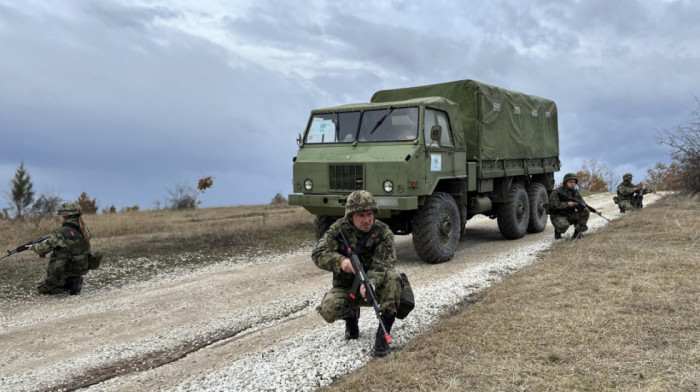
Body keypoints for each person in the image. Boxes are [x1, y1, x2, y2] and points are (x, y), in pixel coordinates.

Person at [312, 190, 403, 357]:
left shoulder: (383, 232)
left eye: (370, 214)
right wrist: (342, 262)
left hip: (375, 286)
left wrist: (372, 282)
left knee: (394, 277)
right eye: (361, 215)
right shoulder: (339, 229)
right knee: (328, 310)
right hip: (346, 287)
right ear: (351, 215)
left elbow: (384, 264)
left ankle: (383, 335)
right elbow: (318, 253)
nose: (367, 219)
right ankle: (351, 317)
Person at [27, 202, 97, 295]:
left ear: (66, 216)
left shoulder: (61, 232)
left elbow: (43, 249)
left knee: (41, 287)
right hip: (80, 267)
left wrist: (33, 247)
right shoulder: (84, 229)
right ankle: (74, 280)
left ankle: (65, 283)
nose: (60, 218)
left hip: (65, 268)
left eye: (61, 215)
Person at [549, 173, 590, 239]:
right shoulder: (556, 192)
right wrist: (567, 204)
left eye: (574, 182)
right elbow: (552, 205)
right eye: (570, 182)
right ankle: (558, 231)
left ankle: (576, 234)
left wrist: (584, 207)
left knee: (585, 212)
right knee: (563, 226)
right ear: (565, 183)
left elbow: (582, 202)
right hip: (558, 216)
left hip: (570, 215)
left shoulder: (575, 192)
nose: (573, 184)